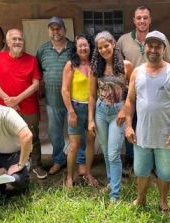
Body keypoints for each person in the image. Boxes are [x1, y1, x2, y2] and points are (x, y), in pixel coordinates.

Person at [124, 31, 170, 211]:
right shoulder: (137, 72)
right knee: (142, 170)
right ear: (145, 48)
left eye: (158, 46)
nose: (153, 50)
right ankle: (141, 198)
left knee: (165, 173)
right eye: (150, 46)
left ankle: (163, 201)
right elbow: (130, 100)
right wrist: (128, 126)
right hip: (142, 133)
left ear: (164, 49)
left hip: (166, 134)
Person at [117, 6, 170, 173]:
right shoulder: (123, 41)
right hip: (132, 90)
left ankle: (156, 161)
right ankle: (132, 159)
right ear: (133, 20)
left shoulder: (159, 40)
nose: (142, 21)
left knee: (155, 123)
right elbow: (115, 65)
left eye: (145, 17)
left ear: (150, 20)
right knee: (132, 123)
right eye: (139, 18)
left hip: (157, 90)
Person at [0, 29, 46, 179]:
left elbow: (35, 84)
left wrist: (17, 99)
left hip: (28, 106)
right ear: (7, 42)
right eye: (14, 39)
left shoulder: (32, 60)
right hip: (5, 107)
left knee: (32, 136)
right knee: (8, 137)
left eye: (20, 39)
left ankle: (36, 165)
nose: (17, 42)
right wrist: (8, 99)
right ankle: (13, 165)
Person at [36, 16, 87, 176]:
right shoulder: (42, 50)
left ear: (65, 30)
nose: (56, 31)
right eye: (52, 28)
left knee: (79, 133)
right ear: (48, 31)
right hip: (53, 101)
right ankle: (59, 160)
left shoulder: (74, 48)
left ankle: (81, 160)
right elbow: (38, 73)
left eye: (58, 28)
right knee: (55, 133)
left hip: (75, 101)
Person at [88, 31, 133, 202]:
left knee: (113, 153)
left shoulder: (126, 65)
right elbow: (92, 95)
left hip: (117, 112)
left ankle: (115, 194)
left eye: (106, 45)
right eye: (100, 47)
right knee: (107, 152)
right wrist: (91, 119)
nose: (103, 50)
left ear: (113, 44)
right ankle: (111, 181)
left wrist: (124, 109)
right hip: (101, 111)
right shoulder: (96, 68)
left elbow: (132, 92)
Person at [62, 35, 98, 188]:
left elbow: (92, 94)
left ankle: (88, 173)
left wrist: (91, 117)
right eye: (80, 46)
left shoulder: (95, 65)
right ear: (76, 49)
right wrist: (71, 111)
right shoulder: (71, 65)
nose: (83, 48)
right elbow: (64, 90)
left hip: (92, 107)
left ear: (90, 47)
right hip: (76, 108)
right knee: (73, 145)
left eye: (86, 45)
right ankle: (70, 176)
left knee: (90, 142)